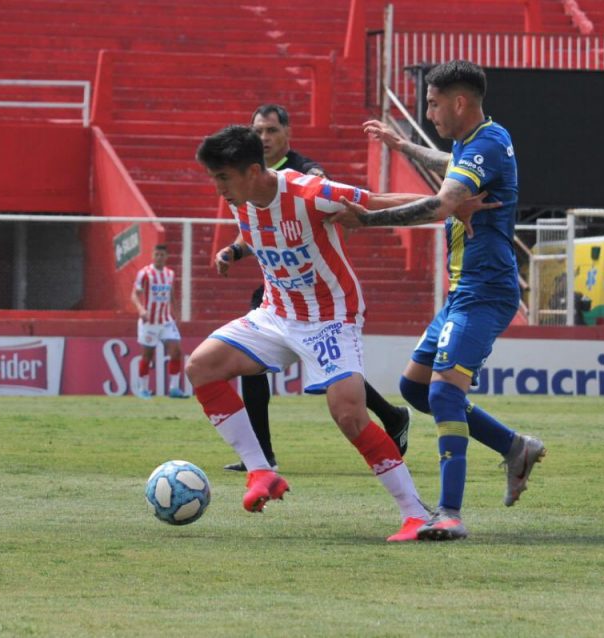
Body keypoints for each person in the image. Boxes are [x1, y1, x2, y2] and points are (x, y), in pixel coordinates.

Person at [191, 124, 473, 541]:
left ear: (252, 171)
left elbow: (379, 202)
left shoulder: (310, 193)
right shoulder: (242, 198)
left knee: (348, 414)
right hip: (275, 313)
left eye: (223, 178)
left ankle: (415, 513)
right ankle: (261, 471)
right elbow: (256, 227)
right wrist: (236, 249)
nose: (218, 189)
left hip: (329, 317)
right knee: (202, 366)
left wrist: (452, 206)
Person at [331, 60, 546, 541]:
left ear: (459, 102)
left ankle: (449, 512)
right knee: (414, 389)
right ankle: (514, 447)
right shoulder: (476, 142)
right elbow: (449, 168)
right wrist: (404, 146)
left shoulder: (486, 144)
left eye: (431, 103)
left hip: (484, 291)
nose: (428, 112)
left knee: (446, 393)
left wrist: (366, 222)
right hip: (462, 292)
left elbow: (441, 205)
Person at [223, 104, 412, 473]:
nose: (264, 138)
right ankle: (261, 454)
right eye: (258, 130)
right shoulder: (247, 176)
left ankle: (390, 419)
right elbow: (255, 228)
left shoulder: (302, 170)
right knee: (251, 362)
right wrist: (233, 250)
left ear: (287, 134)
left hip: (315, 293)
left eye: (271, 131)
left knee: (332, 373)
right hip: (277, 292)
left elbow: (322, 191)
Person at [130, 244, 189, 399]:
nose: (159, 257)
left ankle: (174, 389)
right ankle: (143, 389)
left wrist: (176, 313)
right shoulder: (144, 273)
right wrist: (141, 310)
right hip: (149, 322)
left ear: (166, 257)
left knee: (176, 352)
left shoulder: (170, 274)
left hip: (166, 321)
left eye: (162, 255)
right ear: (152, 255)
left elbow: (171, 295)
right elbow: (134, 295)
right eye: (156, 254)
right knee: (147, 356)